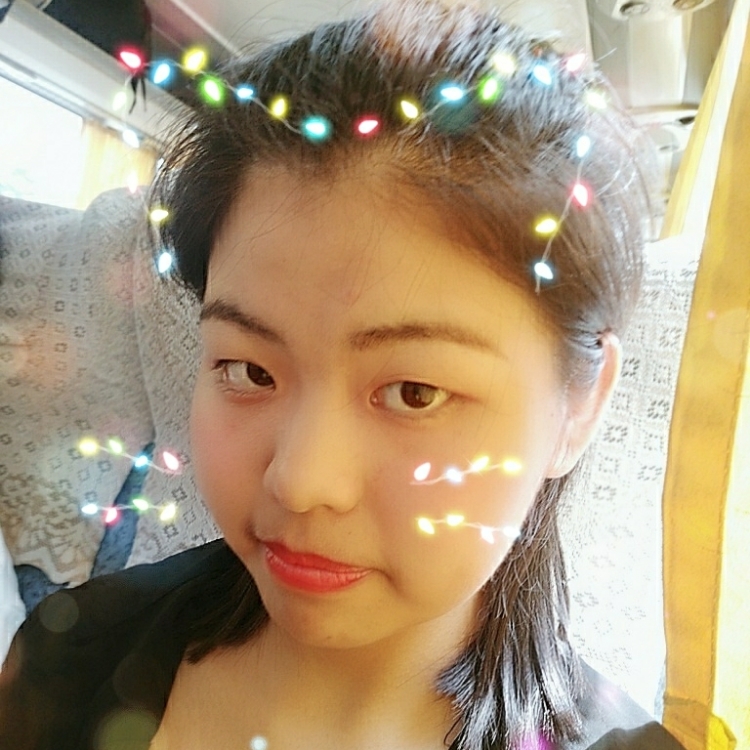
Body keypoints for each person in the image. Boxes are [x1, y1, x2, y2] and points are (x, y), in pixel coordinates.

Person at [0, 2, 686, 748]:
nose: (300, 481)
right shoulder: (68, 653)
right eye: (249, 370)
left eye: (414, 393)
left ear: (579, 406)